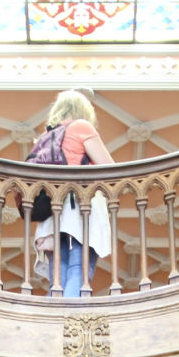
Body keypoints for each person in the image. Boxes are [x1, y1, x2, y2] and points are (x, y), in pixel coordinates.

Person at [33, 90, 114, 298]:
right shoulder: (81, 127)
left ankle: (55, 320)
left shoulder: (46, 136)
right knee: (79, 267)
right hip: (79, 206)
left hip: (53, 210)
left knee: (57, 276)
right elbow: (109, 169)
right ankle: (69, 321)